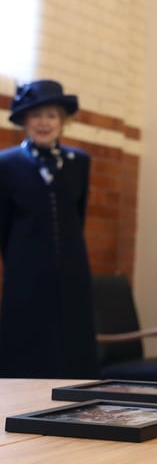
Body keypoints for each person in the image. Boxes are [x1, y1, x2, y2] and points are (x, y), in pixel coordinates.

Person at [0, 80, 98, 378]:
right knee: (26, 349)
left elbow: (77, 215)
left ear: (63, 121)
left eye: (52, 115)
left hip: (73, 272)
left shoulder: (79, 162)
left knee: (73, 350)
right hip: (25, 275)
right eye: (36, 115)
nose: (44, 122)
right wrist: (19, 262)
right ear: (25, 121)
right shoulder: (6, 163)